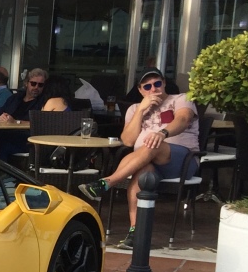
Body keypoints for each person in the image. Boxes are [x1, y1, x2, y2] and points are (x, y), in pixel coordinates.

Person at [79, 69, 199, 249]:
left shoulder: (180, 99)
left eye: (157, 84)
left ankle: (108, 182)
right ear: (140, 90)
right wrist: (142, 110)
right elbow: (127, 140)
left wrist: (162, 133)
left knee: (153, 144)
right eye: (148, 86)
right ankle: (136, 232)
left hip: (182, 160)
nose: (153, 89)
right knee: (141, 173)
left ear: (164, 83)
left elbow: (183, 119)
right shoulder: (135, 109)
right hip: (148, 161)